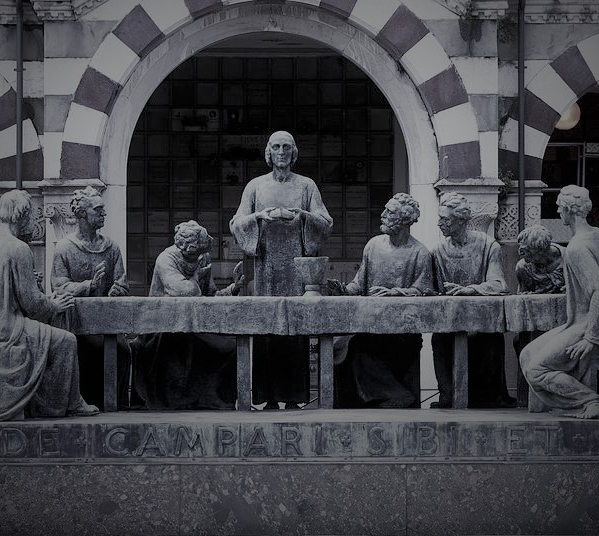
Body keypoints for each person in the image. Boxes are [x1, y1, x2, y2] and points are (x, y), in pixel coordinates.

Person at [0, 190, 98, 421]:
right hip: (4, 332)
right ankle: (62, 406)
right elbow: (32, 304)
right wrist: (54, 305)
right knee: (66, 341)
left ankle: (47, 403)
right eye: (30, 214)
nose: (32, 220)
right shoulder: (18, 248)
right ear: (22, 215)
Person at [230, 130, 332, 409]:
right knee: (268, 327)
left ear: (294, 152)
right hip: (266, 269)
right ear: (269, 152)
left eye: (287, 147)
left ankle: (294, 397)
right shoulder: (255, 186)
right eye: (276, 147)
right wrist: (258, 217)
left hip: (296, 270)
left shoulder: (306, 186)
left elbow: (325, 221)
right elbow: (236, 222)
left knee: (295, 327)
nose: (282, 152)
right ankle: (269, 398)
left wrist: (302, 215)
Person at [520, 185, 599, 419]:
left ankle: (590, 401)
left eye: (559, 207)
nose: (558, 212)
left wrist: (592, 337)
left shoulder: (577, 248)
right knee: (527, 354)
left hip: (586, 325)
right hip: (581, 321)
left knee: (536, 370)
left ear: (569, 210)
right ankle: (563, 404)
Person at [326, 193, 432, 408]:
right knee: (338, 344)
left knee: (357, 345)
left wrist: (395, 293)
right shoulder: (373, 245)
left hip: (401, 329)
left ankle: (396, 395)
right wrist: (343, 290)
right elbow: (359, 284)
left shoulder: (419, 253)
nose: (382, 215)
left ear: (404, 219)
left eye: (389, 212)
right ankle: (351, 404)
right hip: (370, 323)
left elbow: (424, 291)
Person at [133, 221, 244, 409]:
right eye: (194, 253)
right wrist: (196, 275)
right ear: (183, 247)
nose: (198, 256)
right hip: (164, 326)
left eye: (200, 252)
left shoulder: (202, 257)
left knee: (229, 348)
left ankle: (211, 397)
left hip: (195, 325)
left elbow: (210, 295)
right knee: (179, 346)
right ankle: (180, 401)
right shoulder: (166, 260)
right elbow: (186, 291)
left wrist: (233, 288)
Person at [50, 186, 132, 409]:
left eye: (103, 208)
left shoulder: (111, 247)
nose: (103, 213)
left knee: (122, 350)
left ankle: (115, 405)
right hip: (75, 323)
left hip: (106, 323)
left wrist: (117, 290)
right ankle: (83, 402)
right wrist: (89, 285)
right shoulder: (65, 248)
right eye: (97, 209)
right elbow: (58, 287)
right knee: (85, 351)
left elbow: (122, 283)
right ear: (81, 214)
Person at [431, 192, 513, 408]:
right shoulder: (438, 251)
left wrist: (471, 290)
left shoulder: (488, 246)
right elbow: (433, 289)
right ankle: (449, 395)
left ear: (461, 220)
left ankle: (487, 398)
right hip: (450, 321)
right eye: (440, 218)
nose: (439, 223)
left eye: (445, 219)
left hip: (482, 321)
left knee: (488, 340)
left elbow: (499, 284)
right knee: (440, 339)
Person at [515, 224, 565, 294]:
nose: (521, 253)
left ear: (541, 250)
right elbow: (522, 296)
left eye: (527, 250)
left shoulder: (567, 260)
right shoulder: (523, 267)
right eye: (520, 249)